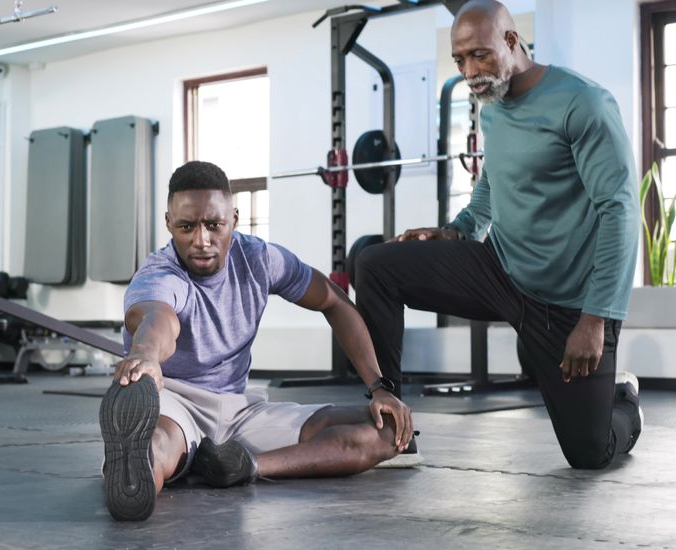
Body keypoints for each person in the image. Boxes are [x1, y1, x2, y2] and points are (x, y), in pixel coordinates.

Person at [355, 0, 643, 470]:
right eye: (459, 60)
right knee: (377, 266)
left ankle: (624, 400)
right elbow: (493, 182)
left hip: (567, 303)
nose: (470, 72)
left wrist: (595, 319)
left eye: (480, 55)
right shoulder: (492, 106)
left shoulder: (584, 103)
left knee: (589, 453)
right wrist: (457, 231)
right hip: (500, 272)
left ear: (511, 41)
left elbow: (620, 211)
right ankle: (392, 431)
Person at [100, 161, 414, 521]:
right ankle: (131, 473)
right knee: (159, 444)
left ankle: (244, 465)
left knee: (391, 431)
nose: (201, 240)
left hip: (240, 412)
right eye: (186, 227)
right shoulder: (159, 274)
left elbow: (334, 301)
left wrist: (379, 387)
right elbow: (158, 320)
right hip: (176, 401)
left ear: (234, 219)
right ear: (169, 223)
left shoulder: (259, 259)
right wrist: (145, 354)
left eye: (213, 225)